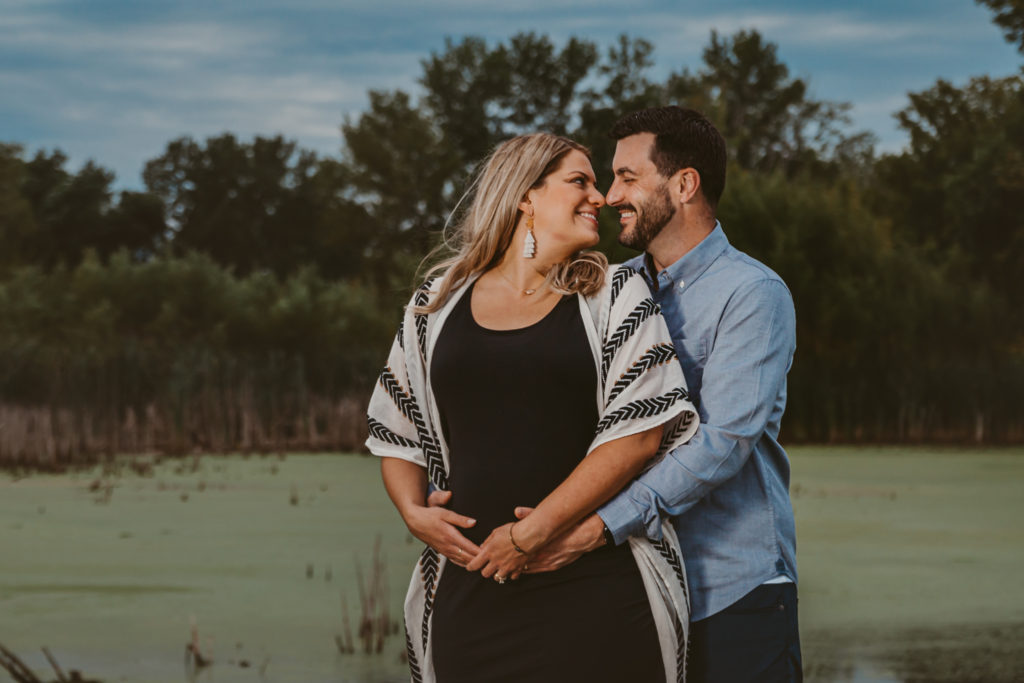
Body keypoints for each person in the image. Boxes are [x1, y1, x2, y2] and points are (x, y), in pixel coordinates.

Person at [365, 133, 700, 683]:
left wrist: (534, 533)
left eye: (598, 184)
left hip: (594, 593)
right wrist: (412, 512)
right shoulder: (437, 300)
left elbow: (640, 434)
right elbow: (393, 426)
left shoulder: (617, 295)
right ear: (526, 195)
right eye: (580, 181)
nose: (601, 197)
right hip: (470, 593)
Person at [515, 107, 802, 682]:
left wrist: (595, 528)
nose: (609, 194)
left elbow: (722, 443)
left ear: (684, 184)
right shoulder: (611, 287)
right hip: (632, 591)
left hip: (731, 590)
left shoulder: (752, 294)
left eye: (627, 177)